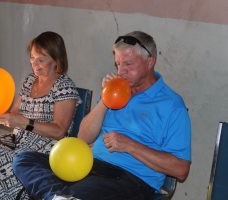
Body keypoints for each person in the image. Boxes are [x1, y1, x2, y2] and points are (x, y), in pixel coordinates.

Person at [12, 31, 191, 200]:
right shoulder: (116, 90)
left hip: (132, 179)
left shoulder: (171, 105)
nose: (121, 72)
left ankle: (65, 196)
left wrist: (130, 146)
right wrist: (106, 100)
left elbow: (181, 170)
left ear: (150, 61)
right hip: (91, 165)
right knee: (25, 159)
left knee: (78, 192)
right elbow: (83, 137)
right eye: (118, 64)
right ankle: (57, 197)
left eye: (128, 64)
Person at [0, 31, 81, 200]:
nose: (35, 64)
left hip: (45, 149)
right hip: (18, 140)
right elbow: (14, 114)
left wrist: (24, 122)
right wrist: (2, 116)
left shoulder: (64, 87)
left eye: (40, 60)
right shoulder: (29, 82)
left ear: (56, 60)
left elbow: (59, 131)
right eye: (32, 58)